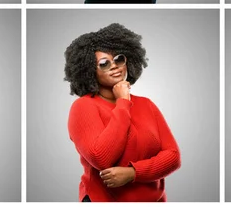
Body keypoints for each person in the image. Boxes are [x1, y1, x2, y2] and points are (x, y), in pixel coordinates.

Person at [65, 23, 181, 202]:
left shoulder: (146, 104)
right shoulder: (83, 107)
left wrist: (133, 173)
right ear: (89, 70)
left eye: (119, 59)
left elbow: (173, 157)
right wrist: (123, 103)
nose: (114, 66)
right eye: (104, 63)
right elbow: (102, 159)